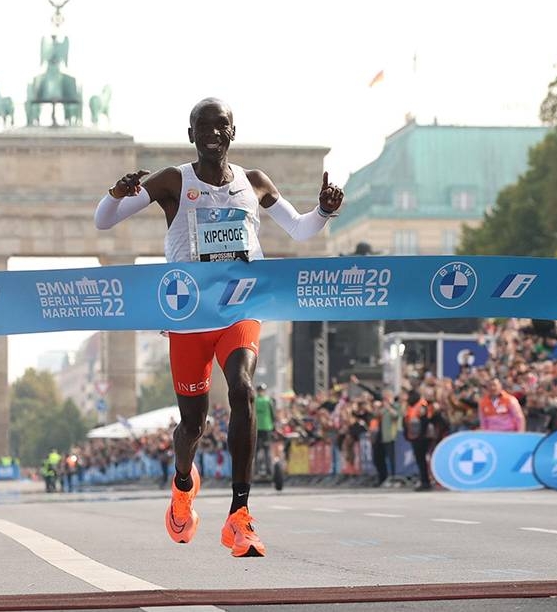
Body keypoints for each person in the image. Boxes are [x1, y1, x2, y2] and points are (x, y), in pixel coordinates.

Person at [94, 97, 344, 557]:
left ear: (233, 132)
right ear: (191, 134)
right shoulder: (174, 180)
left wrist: (323, 212)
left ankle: (239, 514)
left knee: (244, 389)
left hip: (239, 307)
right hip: (188, 314)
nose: (213, 132)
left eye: (221, 125)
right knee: (193, 423)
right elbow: (104, 222)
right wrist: (115, 195)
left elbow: (301, 231)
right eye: (203, 126)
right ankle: (184, 482)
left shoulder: (254, 182)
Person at [403, 388, 434, 491]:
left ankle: (426, 482)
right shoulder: (412, 406)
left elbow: (424, 421)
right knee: (419, 460)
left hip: (421, 437)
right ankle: (424, 480)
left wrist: (421, 435)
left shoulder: (422, 405)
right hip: (415, 436)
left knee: (421, 460)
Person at [253, 384, 275, 477]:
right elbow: (272, 413)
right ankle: (269, 471)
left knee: (257, 450)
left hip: (257, 428)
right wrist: (273, 425)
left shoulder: (254, 400)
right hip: (267, 427)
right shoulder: (268, 400)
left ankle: (256, 471)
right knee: (267, 450)